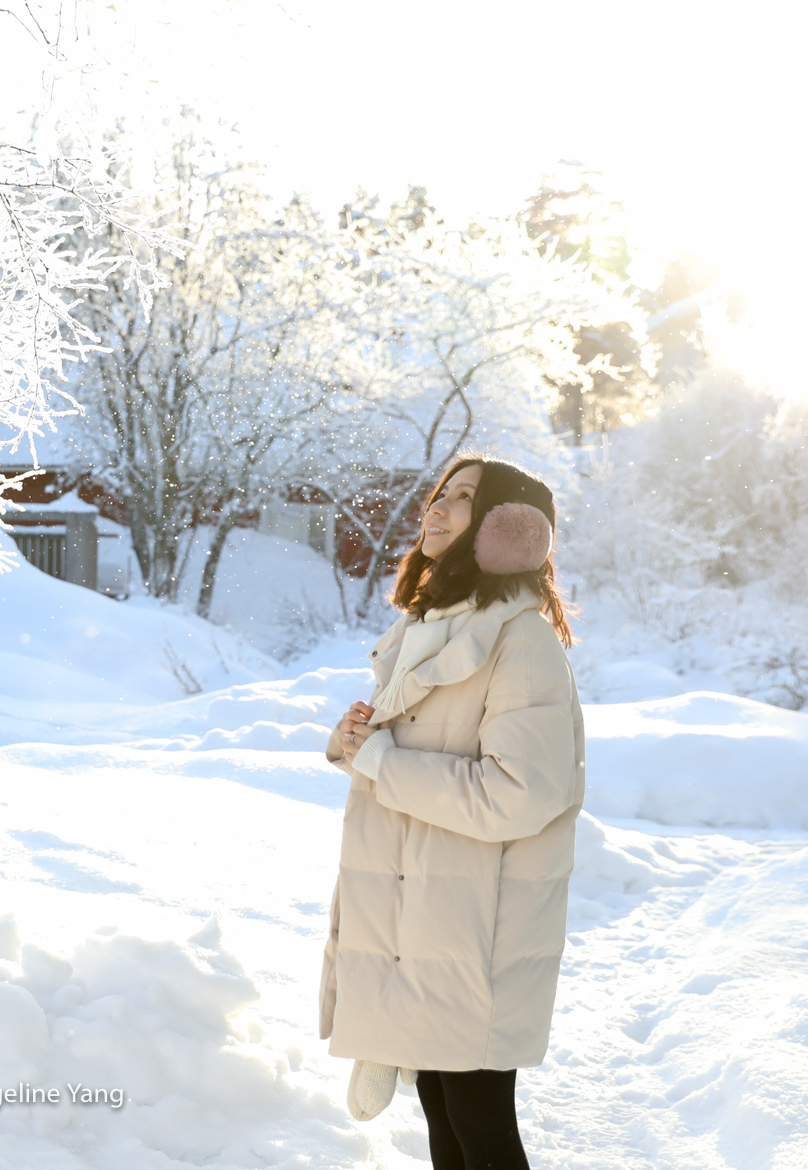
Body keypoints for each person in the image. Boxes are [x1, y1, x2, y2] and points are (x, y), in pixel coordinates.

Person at [319, 455, 585, 1170]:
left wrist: (380, 760)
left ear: (507, 528)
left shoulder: (521, 643)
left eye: (463, 498)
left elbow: (517, 794)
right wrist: (356, 742)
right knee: (447, 1118)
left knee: (480, 1125)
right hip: (428, 920)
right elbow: (410, 751)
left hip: (478, 931)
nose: (436, 507)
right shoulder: (432, 627)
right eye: (439, 493)